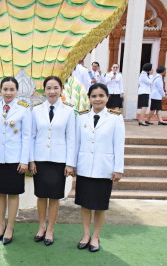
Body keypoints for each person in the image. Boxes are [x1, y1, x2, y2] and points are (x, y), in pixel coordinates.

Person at [74, 83, 125, 252]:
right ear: (89, 98)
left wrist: (118, 169)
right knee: (85, 204)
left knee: (101, 205)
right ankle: (86, 234)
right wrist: (72, 164)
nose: (97, 99)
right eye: (94, 96)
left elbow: (119, 145)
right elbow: (76, 143)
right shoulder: (81, 117)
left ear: (107, 97)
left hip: (104, 169)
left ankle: (96, 236)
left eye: (101, 95)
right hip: (84, 168)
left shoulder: (115, 118)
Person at [29, 76, 75, 246]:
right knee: (41, 195)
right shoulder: (36, 110)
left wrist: (70, 163)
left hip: (58, 160)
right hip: (39, 159)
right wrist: (31, 160)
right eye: (49, 88)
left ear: (61, 89)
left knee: (54, 197)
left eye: (55, 88)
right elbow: (32, 136)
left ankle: (50, 229)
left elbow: (71, 138)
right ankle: (41, 226)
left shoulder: (68, 111)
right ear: (44, 90)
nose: (52, 91)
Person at [0, 77, 31, 245]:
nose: (8, 93)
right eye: (5, 89)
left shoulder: (24, 109)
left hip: (15, 159)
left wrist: (24, 160)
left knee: (13, 194)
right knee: (0, 193)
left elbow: (27, 137)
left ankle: (10, 227)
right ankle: (1, 225)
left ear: (16, 91)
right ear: (1, 90)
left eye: (12, 89)